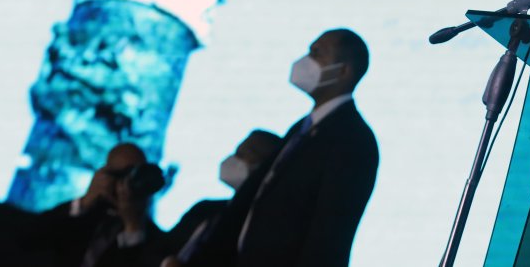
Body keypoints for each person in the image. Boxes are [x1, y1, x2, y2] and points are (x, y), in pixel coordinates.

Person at [186, 29, 378, 267]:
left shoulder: (353, 139)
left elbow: (329, 232)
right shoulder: (301, 129)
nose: (306, 60)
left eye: (317, 53)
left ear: (343, 71)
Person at [23, 142, 165, 267]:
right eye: (122, 174)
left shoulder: (151, 240)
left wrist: (132, 226)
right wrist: (85, 202)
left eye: (137, 176)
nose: (127, 185)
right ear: (105, 174)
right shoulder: (84, 215)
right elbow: (30, 239)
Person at [159, 130, 282, 266]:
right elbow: (160, 249)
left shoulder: (264, 225)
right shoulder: (205, 209)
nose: (234, 159)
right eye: (236, 153)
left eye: (245, 154)